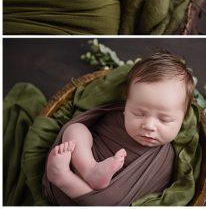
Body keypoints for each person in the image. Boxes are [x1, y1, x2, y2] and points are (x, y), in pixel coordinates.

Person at [43, 51, 194, 203]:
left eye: (164, 119)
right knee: (75, 129)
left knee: (111, 201)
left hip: (84, 197)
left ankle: (63, 178)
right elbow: (88, 127)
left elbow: (143, 200)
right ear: (125, 105)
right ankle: (90, 170)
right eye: (138, 114)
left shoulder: (164, 162)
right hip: (75, 163)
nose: (149, 126)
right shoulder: (112, 116)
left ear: (183, 119)